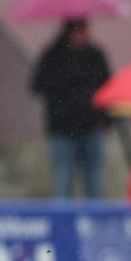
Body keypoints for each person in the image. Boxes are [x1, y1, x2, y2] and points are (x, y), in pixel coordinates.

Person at [31, 19, 111, 199]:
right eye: (77, 31)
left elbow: (107, 86)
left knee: (94, 182)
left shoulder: (95, 55)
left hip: (91, 127)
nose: (81, 35)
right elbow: (37, 85)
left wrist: (106, 120)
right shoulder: (53, 56)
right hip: (62, 129)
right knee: (63, 181)